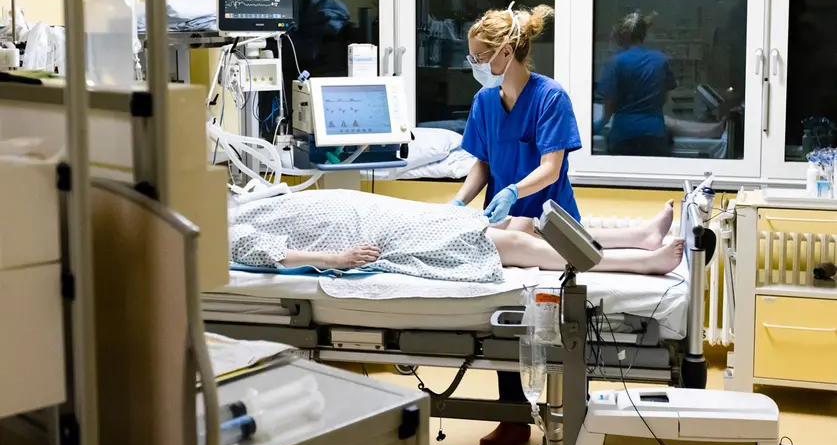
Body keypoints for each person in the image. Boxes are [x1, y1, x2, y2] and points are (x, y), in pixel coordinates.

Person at [443, 3, 683, 445]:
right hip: (512, 219)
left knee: (549, 290)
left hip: (548, 213)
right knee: (508, 314)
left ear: (506, 52)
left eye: (479, 57)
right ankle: (514, 420)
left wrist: (512, 190)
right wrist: (458, 203)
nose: (473, 65)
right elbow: (481, 166)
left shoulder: (549, 97)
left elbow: (550, 169)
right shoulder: (483, 103)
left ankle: (576, 418)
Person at [229, 190, 684, 280]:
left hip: (382, 211)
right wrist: (336, 260)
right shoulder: (221, 229)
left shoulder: (231, 199)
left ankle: (640, 236)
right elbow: (269, 252)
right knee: (512, 243)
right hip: (376, 233)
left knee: (518, 223)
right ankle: (642, 261)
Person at [595, 11, 677, 157]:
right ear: (644, 35)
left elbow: (608, 110)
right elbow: (663, 98)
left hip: (624, 136)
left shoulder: (616, 63)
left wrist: (594, 129)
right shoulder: (660, 60)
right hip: (655, 135)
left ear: (621, 36)